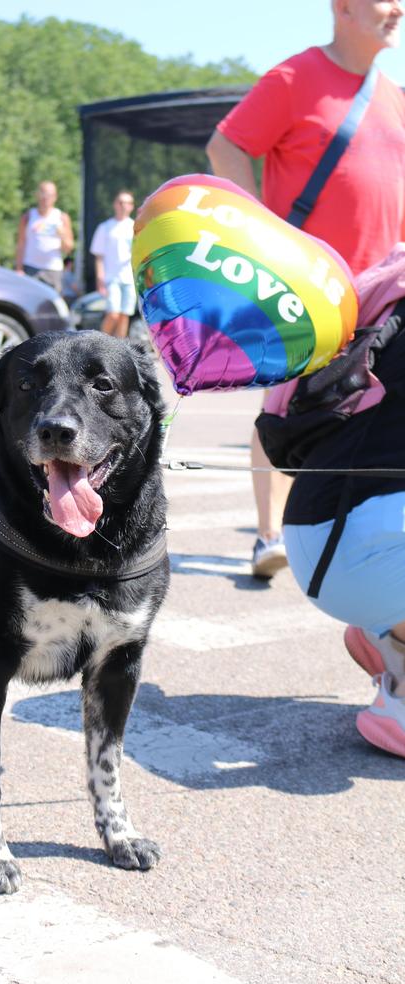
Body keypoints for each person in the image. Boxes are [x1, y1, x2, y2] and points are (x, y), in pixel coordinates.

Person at [206, 0, 405, 579]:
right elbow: (226, 148)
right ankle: (268, 535)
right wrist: (265, 241)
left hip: (381, 295)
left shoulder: (395, 96)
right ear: (343, 7)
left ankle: (353, 527)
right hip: (305, 286)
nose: (397, 8)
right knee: (285, 404)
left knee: (371, 410)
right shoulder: (294, 77)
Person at [265, 245, 405, 757]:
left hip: (315, 533)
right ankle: (400, 702)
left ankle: (388, 637)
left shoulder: (390, 295)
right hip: (363, 547)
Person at [89, 190, 136, 338]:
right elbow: (99, 256)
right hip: (111, 278)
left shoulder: (135, 227)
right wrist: (100, 278)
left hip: (129, 279)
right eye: (121, 202)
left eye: (127, 203)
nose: (123, 206)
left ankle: (119, 348)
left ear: (132, 207)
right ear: (115, 204)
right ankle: (99, 342)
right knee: (113, 314)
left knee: (124, 315)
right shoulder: (105, 227)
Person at [15, 180, 74, 293]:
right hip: (30, 268)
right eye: (43, 193)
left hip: (53, 270)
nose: (46, 197)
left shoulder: (61, 217)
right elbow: (21, 243)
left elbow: (69, 248)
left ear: (55, 197)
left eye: (50, 194)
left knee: (51, 306)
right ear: (37, 195)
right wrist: (19, 269)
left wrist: (62, 234)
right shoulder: (28, 217)